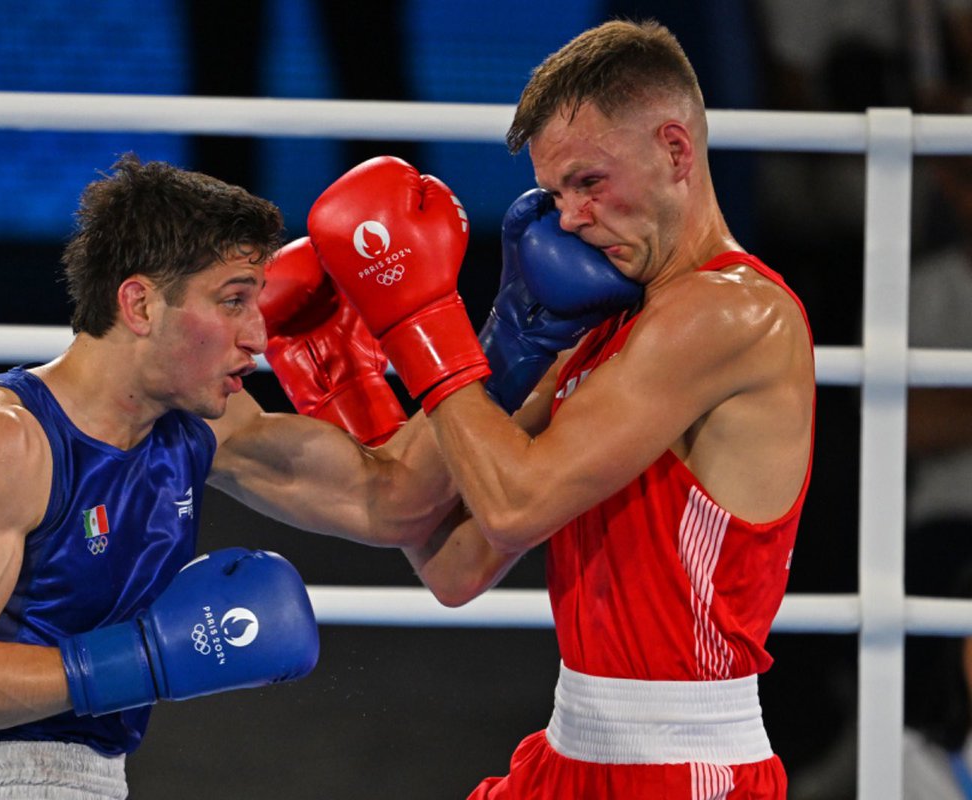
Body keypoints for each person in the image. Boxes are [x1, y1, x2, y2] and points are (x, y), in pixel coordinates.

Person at [307, 19, 816, 799]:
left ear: (676, 151)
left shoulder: (731, 313)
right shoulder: (607, 326)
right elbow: (455, 564)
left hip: (682, 768)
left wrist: (421, 321)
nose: (570, 218)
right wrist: (356, 386)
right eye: (554, 194)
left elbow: (514, 505)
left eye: (589, 183)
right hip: (569, 752)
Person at [0, 153, 463, 797]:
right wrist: (145, 661)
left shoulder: (203, 426)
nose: (259, 337)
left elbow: (394, 502)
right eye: (234, 301)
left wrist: (518, 337)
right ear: (140, 305)